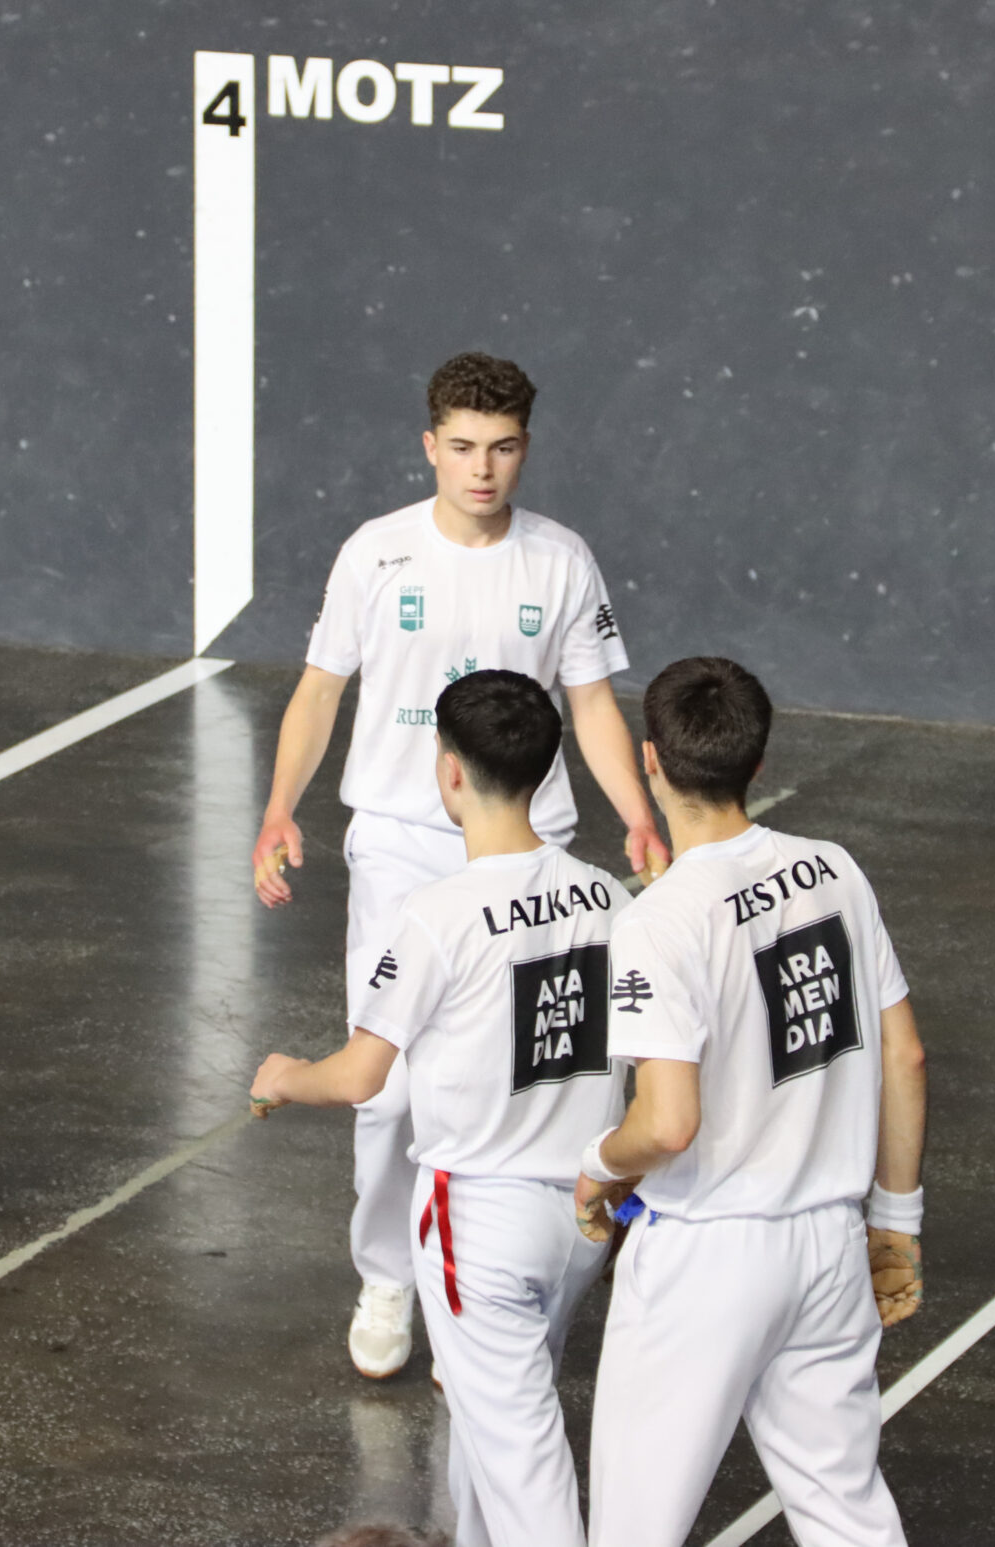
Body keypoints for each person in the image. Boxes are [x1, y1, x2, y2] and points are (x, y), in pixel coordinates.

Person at [251, 352, 668, 1379]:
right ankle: (389, 1275)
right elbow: (319, 690)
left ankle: (496, 1287)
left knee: (534, 1070)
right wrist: (278, 808)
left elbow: (592, 705)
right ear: (430, 446)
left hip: (531, 847)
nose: (483, 469)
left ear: (526, 448)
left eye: (504, 448)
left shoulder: (561, 560)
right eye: (465, 447)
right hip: (402, 844)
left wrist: (639, 816)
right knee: (389, 1086)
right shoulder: (375, 552)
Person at [253, 670, 626, 1547]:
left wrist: (284, 1076)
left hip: (482, 1219)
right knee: (489, 1431)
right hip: (581, 1220)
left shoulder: (436, 916)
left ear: (449, 770)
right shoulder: (608, 896)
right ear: (546, 768)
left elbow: (360, 1076)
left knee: (523, 1460)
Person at [578, 657, 928, 1547]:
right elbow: (905, 1054)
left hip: (706, 1255)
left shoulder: (660, 920)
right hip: (830, 1247)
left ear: (651, 760)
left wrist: (597, 1166)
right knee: (848, 1515)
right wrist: (895, 1222)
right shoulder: (835, 871)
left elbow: (666, 1123)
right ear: (757, 761)